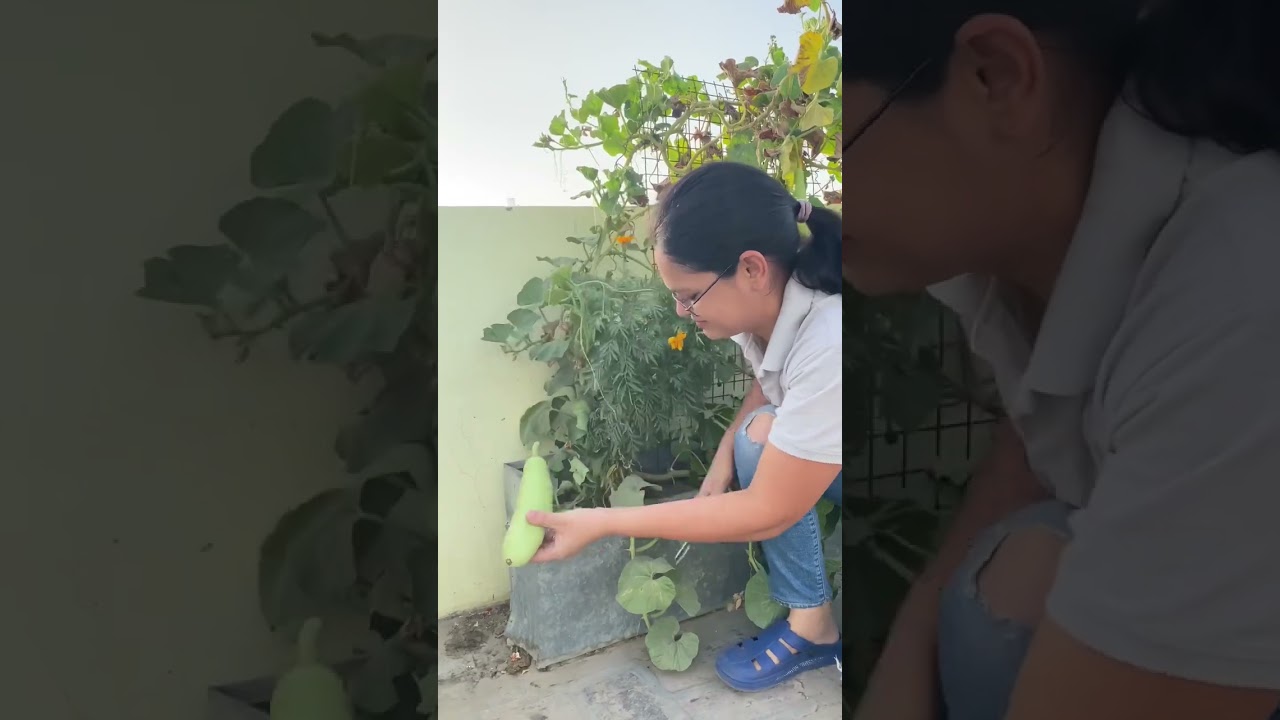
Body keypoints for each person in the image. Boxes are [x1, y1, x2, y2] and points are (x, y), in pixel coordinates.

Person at [841, 1, 1280, 719]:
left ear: (998, 77)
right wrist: (906, 651)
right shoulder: (1020, 248)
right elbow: (1041, 436)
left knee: (1013, 597)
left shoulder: (1241, 302)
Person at [524, 160, 844, 692]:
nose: (680, 311)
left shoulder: (830, 337)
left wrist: (602, 522)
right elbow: (771, 382)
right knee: (755, 433)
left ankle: (816, 631)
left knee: (763, 444)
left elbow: (768, 511)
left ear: (751, 269)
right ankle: (813, 621)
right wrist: (721, 464)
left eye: (690, 294)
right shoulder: (770, 313)